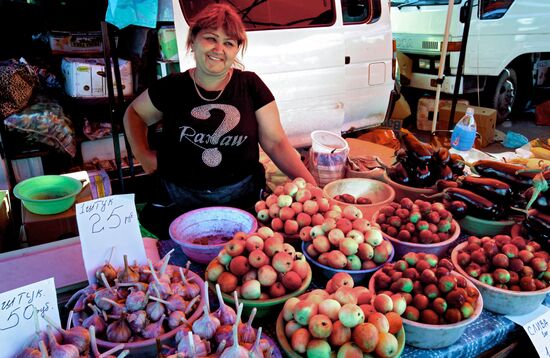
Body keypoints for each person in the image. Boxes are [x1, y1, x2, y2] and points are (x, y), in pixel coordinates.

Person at [123, 3, 316, 218]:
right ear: (193, 41)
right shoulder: (172, 86)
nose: (219, 49)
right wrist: (142, 154)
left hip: (242, 199)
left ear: (236, 50)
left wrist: (311, 185)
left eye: (228, 43)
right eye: (211, 38)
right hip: (178, 200)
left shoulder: (251, 85)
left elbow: (276, 142)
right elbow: (135, 114)